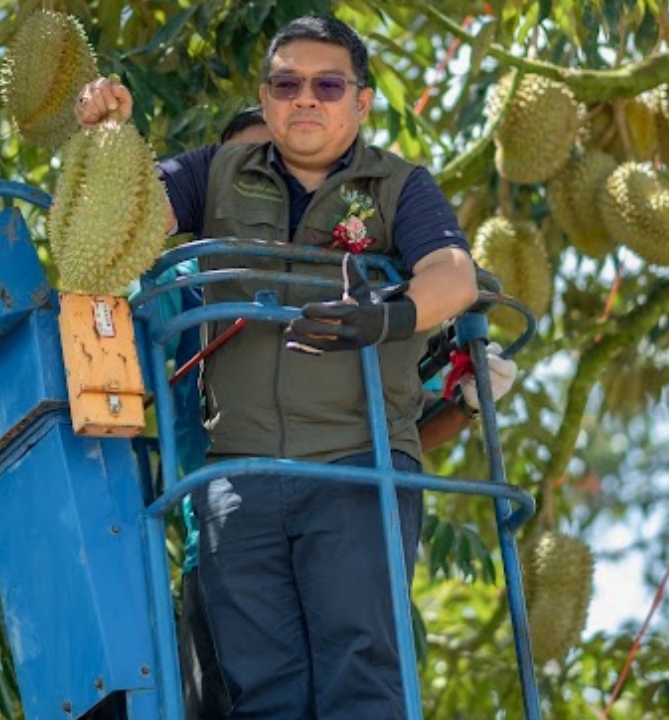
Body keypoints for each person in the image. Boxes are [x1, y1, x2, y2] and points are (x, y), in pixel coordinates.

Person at [79, 16, 482, 719]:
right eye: (286, 83)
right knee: (260, 686)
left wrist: (386, 317)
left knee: (361, 672)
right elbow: (121, 228)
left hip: (359, 465)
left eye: (328, 84)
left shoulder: (397, 186)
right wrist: (106, 137)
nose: (306, 99)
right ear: (264, 100)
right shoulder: (214, 173)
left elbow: (452, 274)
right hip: (240, 473)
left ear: (360, 102)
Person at [167, 108, 518, 719]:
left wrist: (461, 403)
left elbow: (388, 427)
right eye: (250, 180)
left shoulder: (343, 285)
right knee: (258, 696)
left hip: (340, 503)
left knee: (360, 681)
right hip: (227, 534)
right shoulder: (187, 292)